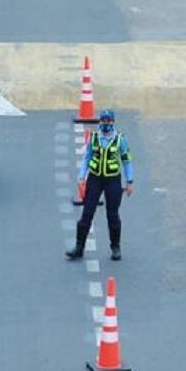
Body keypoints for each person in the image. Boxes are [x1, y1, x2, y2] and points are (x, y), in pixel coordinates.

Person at [70, 109, 132, 260]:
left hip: (113, 180)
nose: (106, 123)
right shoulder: (94, 138)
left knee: (113, 215)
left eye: (108, 121)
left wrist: (129, 181)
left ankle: (115, 247)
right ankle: (79, 247)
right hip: (95, 179)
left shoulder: (120, 139)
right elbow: (87, 157)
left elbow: (127, 161)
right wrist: (81, 176)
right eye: (103, 121)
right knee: (87, 213)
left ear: (113, 122)